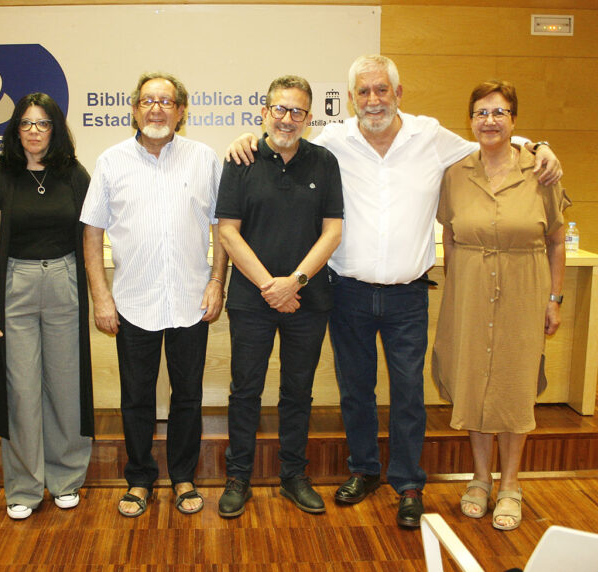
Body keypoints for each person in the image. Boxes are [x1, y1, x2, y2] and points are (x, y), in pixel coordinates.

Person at [226, 54, 562, 527]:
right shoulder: (333, 142)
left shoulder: (430, 137)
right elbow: (281, 140)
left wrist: (540, 144)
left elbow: (490, 139)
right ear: (351, 99)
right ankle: (363, 471)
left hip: (408, 295)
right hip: (347, 291)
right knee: (356, 390)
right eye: (363, 91)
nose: (373, 100)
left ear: (398, 93)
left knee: (408, 393)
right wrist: (246, 139)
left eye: (382, 89)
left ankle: (407, 482)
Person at [80, 71, 226, 518]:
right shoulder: (111, 162)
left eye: (166, 101)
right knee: (136, 397)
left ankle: (183, 476)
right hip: (132, 302)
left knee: (188, 396)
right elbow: (91, 234)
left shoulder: (205, 159)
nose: (156, 108)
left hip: (190, 300)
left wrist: (217, 281)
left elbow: (224, 228)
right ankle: (140, 478)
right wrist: (100, 297)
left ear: (181, 111)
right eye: (148, 101)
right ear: (135, 109)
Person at [432, 80, 568, 531]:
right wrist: (458, 286)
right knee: (473, 380)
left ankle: (510, 483)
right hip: (469, 290)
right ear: (470, 121)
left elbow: (555, 241)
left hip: (524, 290)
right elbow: (449, 236)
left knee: (513, 382)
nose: (489, 120)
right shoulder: (455, 173)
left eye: (498, 112)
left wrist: (553, 299)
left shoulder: (541, 171)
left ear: (513, 120)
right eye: (481, 113)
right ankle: (478, 479)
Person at [215, 76, 343, 518]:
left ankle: (293, 476)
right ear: (264, 112)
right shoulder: (241, 159)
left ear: (309, 118)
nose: (288, 119)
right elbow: (227, 230)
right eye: (280, 110)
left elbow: (333, 231)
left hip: (307, 300)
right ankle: (238, 478)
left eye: (298, 112)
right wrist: (271, 286)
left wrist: (296, 283)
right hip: (252, 300)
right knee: (245, 391)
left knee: (297, 392)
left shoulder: (324, 162)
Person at [0, 93, 94, 520]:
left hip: (64, 280)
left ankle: (65, 477)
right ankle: (23, 487)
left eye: (43, 124)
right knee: (20, 389)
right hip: (15, 285)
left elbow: (91, 239)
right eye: (26, 123)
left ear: (55, 129)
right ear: (15, 129)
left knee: (65, 383)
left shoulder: (74, 175)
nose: (34, 132)